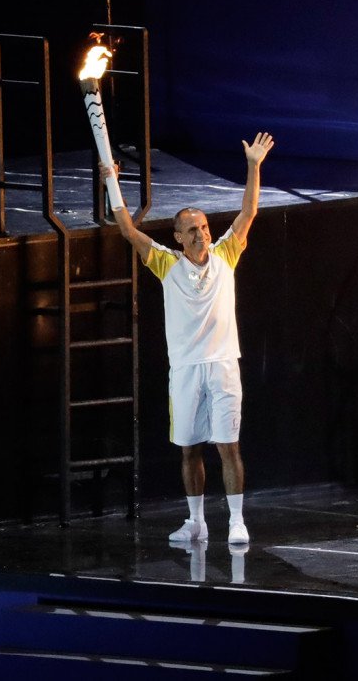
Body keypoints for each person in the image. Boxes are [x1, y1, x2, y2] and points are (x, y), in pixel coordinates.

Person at [103, 131, 275, 544]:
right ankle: (196, 522)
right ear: (178, 237)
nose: (201, 235)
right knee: (189, 450)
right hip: (183, 371)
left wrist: (253, 166)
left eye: (202, 226)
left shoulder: (226, 255)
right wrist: (112, 180)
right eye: (191, 230)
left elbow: (248, 212)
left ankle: (236, 519)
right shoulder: (166, 264)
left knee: (227, 446)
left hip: (222, 366)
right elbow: (128, 231)